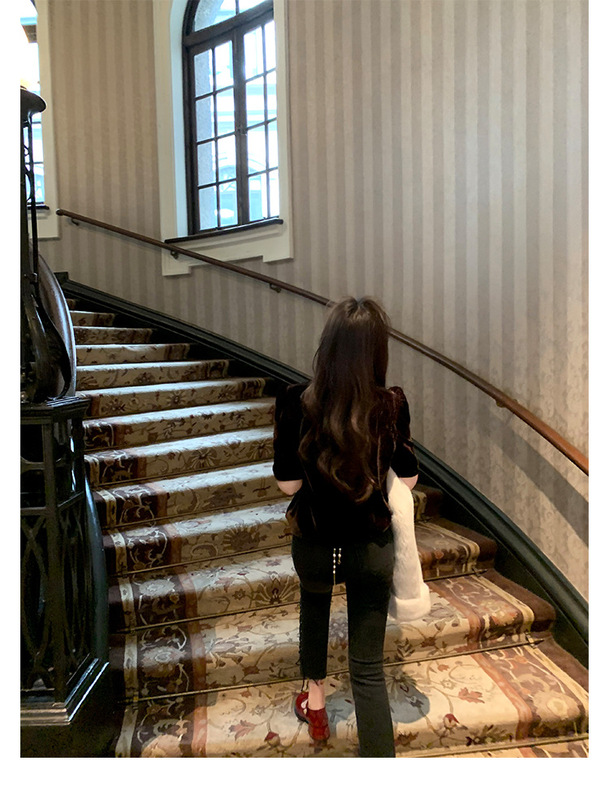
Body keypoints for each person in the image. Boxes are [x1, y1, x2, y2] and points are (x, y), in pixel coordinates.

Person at [272, 296, 419, 758]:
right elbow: (408, 479)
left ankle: (315, 704)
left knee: (313, 603)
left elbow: (287, 484)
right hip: (369, 549)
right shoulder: (391, 404)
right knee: (368, 669)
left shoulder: (295, 400)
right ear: (378, 350)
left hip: (316, 545)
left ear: (328, 345)